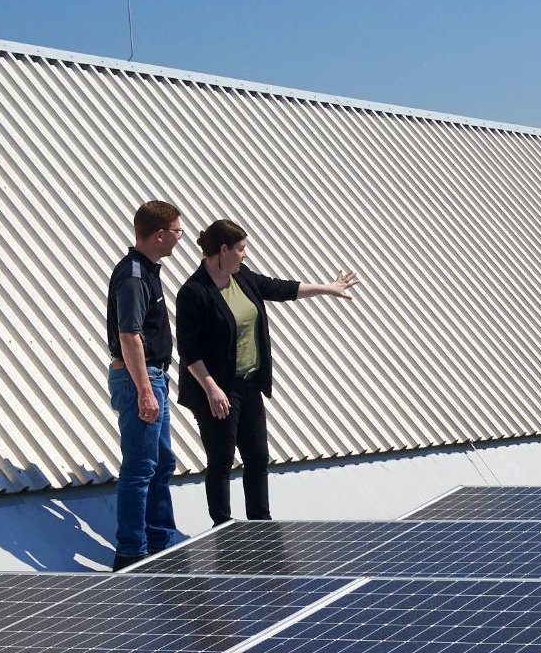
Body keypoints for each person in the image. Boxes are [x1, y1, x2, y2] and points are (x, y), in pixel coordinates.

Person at [173, 218, 358, 523]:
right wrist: (212, 389)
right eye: (241, 249)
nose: (245, 255)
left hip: (248, 385)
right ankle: (223, 527)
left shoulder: (241, 277)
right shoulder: (194, 292)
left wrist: (327, 288)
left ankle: (261, 523)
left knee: (257, 458)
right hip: (216, 391)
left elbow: (279, 288)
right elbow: (189, 351)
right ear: (223, 250)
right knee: (221, 460)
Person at [105, 200, 187, 570]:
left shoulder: (147, 271)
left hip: (153, 377)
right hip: (142, 377)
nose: (179, 238)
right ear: (159, 234)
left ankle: (160, 536)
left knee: (161, 461)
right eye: (177, 232)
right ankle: (131, 551)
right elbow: (130, 335)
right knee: (139, 466)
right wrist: (144, 390)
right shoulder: (135, 275)